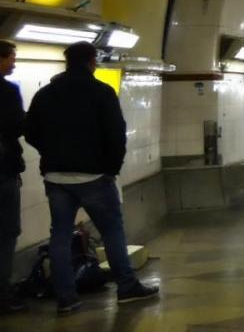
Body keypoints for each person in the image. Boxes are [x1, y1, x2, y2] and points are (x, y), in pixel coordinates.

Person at [24, 42, 158, 315]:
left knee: (60, 236)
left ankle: (66, 297)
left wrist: (51, 154)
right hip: (95, 176)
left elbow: (31, 133)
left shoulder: (45, 95)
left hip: (56, 177)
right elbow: (116, 134)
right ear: (91, 61)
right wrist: (111, 167)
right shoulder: (101, 92)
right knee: (111, 231)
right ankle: (126, 287)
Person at [0, 41, 27, 315]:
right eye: (10, 58)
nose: (14, 63)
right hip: (3, 172)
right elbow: (17, 125)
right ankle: (3, 296)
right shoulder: (7, 90)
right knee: (7, 234)